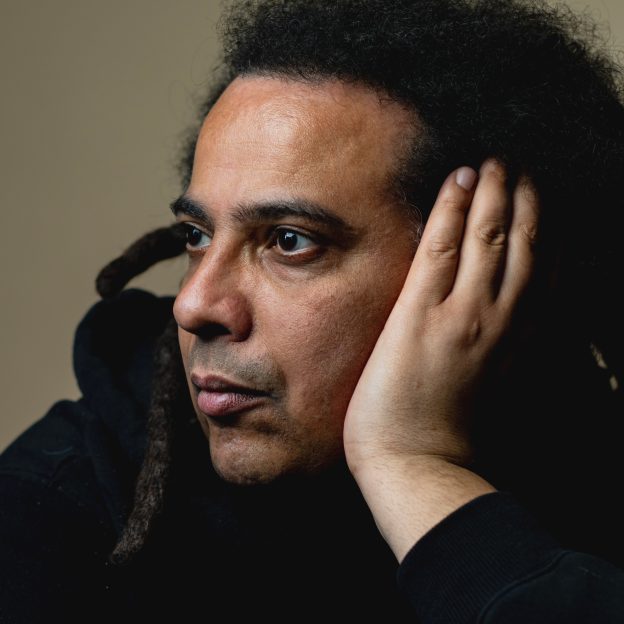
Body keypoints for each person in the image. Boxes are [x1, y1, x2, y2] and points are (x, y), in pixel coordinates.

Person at [1, 0, 624, 621]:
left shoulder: (593, 465)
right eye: (197, 235)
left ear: (486, 263)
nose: (193, 305)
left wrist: (413, 470)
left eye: (289, 240)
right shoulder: (54, 506)